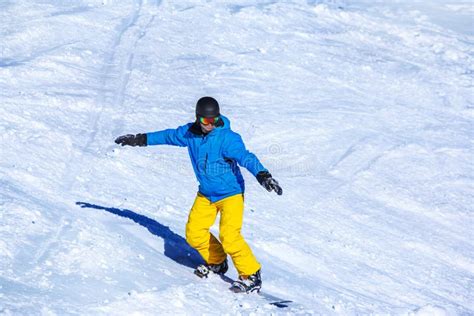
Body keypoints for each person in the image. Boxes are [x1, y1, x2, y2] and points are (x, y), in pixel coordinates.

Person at [115, 96, 282, 293]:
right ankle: (217, 261)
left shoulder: (227, 138)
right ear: (198, 119)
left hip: (231, 194)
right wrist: (140, 139)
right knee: (194, 233)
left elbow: (246, 157)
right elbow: (167, 136)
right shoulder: (189, 133)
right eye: (206, 121)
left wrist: (263, 176)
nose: (211, 125)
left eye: (214, 120)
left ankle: (251, 274)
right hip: (206, 194)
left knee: (229, 235)